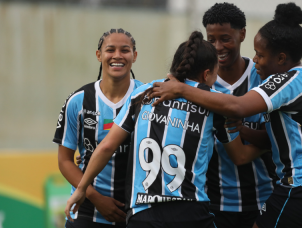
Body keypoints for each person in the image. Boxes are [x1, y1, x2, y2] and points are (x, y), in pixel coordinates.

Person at [150, 3, 302, 228]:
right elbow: (279, 137)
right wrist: (243, 129)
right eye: (212, 39)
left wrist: (181, 89)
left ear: (280, 58)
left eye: (260, 54)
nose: (256, 59)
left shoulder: (283, 80)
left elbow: (238, 107)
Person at [64, 31, 267, 228]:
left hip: (141, 213)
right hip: (190, 212)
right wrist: (270, 145)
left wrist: (82, 189)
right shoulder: (215, 104)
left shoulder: (143, 93)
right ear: (207, 74)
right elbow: (240, 156)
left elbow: (107, 146)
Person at [54, 28, 144, 228]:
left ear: (134, 56)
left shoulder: (147, 98)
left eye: (125, 50)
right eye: (110, 49)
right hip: (87, 211)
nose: (117, 56)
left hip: (135, 212)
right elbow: (65, 161)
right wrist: (95, 197)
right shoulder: (78, 101)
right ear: (99, 55)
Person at [202, 2, 276, 228]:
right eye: (211, 39)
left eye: (225, 38)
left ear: (242, 34)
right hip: (215, 202)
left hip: (264, 197)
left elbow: (278, 137)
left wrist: (241, 128)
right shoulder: (201, 83)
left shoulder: (264, 76)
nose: (217, 47)